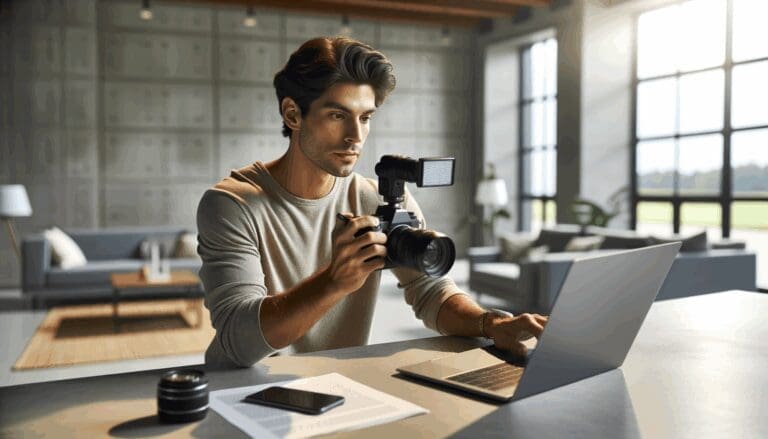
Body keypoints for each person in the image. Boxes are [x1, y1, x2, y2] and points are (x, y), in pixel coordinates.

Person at [197, 37, 548, 368]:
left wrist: (491, 323)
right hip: (242, 391)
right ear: (292, 114)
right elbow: (237, 342)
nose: (355, 136)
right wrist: (333, 282)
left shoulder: (378, 197)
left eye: (365, 117)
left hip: (339, 385)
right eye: (338, 115)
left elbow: (431, 292)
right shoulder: (232, 203)